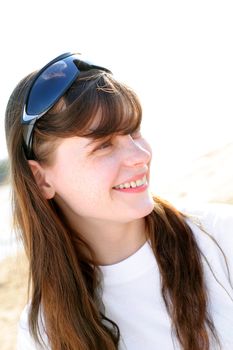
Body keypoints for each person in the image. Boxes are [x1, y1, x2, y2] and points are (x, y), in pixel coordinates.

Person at [4, 52, 233, 350]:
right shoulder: (44, 333)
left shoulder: (219, 238)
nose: (140, 156)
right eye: (103, 145)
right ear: (42, 180)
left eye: (133, 131)